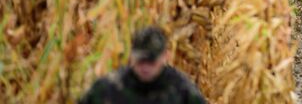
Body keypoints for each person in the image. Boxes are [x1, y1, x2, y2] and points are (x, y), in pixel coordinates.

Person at [78, 26, 207, 104]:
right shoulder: (109, 87)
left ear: (166, 57)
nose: (145, 67)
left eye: (151, 61)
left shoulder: (182, 90)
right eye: (140, 61)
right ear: (130, 56)